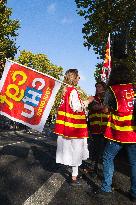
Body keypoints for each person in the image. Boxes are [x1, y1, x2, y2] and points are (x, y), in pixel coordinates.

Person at [95, 63, 136, 202]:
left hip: (117, 133)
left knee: (107, 157)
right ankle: (134, 192)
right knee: (134, 163)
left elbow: (106, 110)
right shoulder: (134, 88)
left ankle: (106, 188)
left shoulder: (112, 90)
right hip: (133, 132)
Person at [54, 68, 94, 185]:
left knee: (70, 151)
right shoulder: (73, 91)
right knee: (76, 152)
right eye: (78, 77)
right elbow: (77, 108)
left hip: (66, 128)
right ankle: (74, 178)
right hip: (75, 128)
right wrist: (88, 101)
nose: (79, 79)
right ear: (74, 78)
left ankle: (74, 175)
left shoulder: (64, 92)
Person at [85, 81, 108, 176]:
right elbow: (94, 107)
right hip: (95, 129)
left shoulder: (107, 99)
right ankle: (94, 167)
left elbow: (109, 109)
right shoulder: (92, 98)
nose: (97, 88)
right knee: (95, 148)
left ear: (104, 88)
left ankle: (96, 167)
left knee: (102, 150)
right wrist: (105, 106)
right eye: (96, 87)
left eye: (99, 86)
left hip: (106, 129)